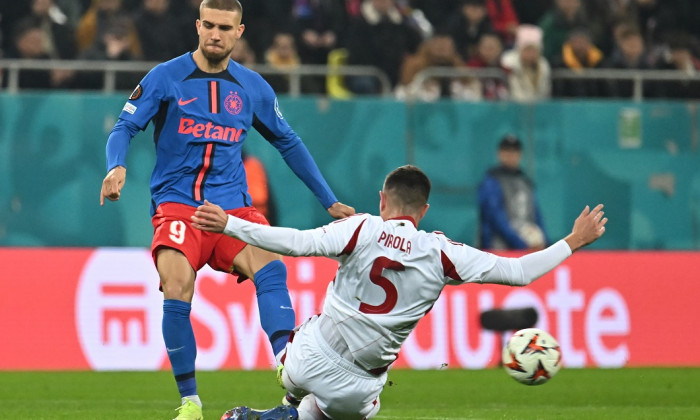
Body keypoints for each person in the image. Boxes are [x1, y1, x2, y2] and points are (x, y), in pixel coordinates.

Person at [98, 1, 355, 419]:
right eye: (210, 25)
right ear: (198, 26)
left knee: (272, 268)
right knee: (176, 285)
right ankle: (190, 402)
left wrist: (328, 199)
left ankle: (286, 364)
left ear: (240, 32)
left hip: (232, 209)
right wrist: (116, 166)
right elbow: (125, 126)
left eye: (225, 27)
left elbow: (287, 142)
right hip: (178, 207)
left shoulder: (253, 87)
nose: (216, 34)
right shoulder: (166, 77)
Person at [190, 164, 607, 420]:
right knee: (348, 410)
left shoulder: (362, 227)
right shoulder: (441, 253)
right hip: (358, 389)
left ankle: (282, 386)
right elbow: (518, 272)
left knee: (298, 354)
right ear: (424, 211)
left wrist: (229, 224)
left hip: (309, 354)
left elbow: (296, 243)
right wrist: (571, 241)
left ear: (382, 201)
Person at [478, 135, 548, 250]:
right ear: (499, 153)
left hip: (526, 250)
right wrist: (520, 244)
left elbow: (536, 216)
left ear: (520, 154)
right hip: (498, 251)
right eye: (506, 150)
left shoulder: (526, 182)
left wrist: (546, 244)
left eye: (514, 151)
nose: (510, 155)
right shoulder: (491, 181)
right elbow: (496, 218)